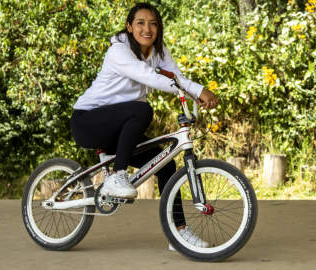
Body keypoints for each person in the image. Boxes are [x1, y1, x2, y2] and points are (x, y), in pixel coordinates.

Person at [70, 3, 218, 250]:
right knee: (141, 110)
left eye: (153, 23)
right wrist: (197, 90)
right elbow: (148, 76)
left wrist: (197, 95)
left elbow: (177, 79)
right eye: (140, 23)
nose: (147, 29)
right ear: (129, 27)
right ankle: (117, 177)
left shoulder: (158, 52)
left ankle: (178, 232)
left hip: (119, 128)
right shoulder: (118, 51)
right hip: (88, 122)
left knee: (165, 162)